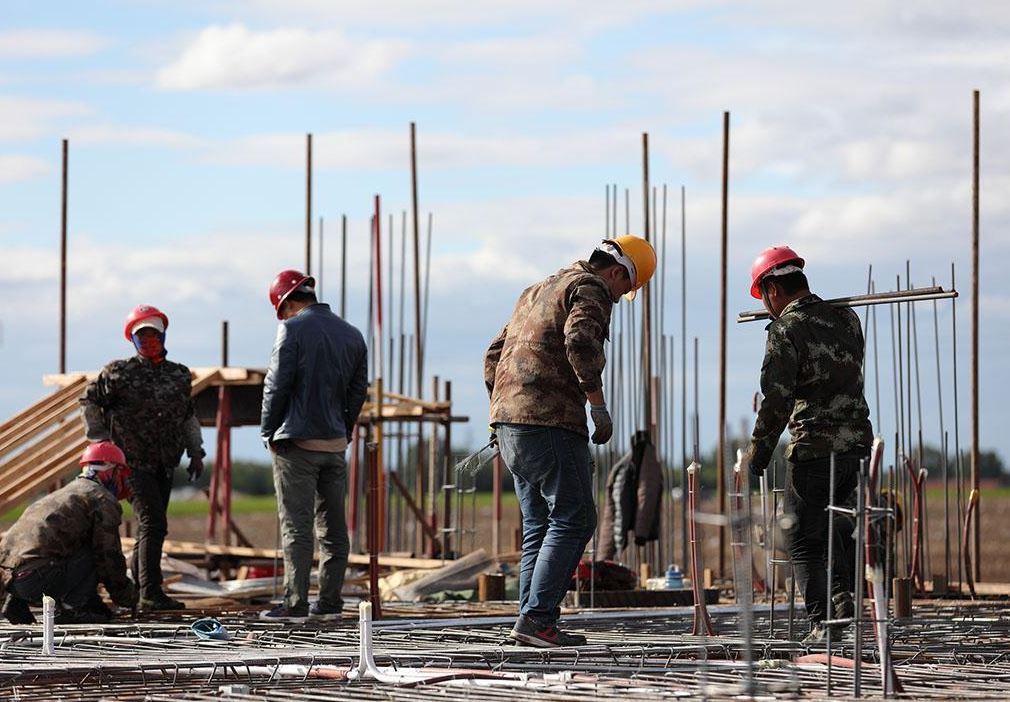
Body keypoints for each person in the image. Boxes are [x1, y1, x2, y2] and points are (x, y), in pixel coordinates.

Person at [484, 235, 656, 647]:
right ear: (617, 273)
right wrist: (597, 404)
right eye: (624, 289)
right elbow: (580, 340)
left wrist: (505, 406)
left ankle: (531, 619)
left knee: (539, 525)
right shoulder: (590, 287)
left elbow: (494, 354)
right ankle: (538, 619)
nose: (618, 297)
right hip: (550, 422)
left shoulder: (538, 289)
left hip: (509, 424)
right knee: (575, 517)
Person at [746, 245, 873, 643]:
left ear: (771, 290)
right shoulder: (847, 318)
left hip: (814, 448)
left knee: (801, 537)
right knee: (842, 527)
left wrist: (759, 453)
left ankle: (824, 625)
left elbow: (777, 400)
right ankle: (843, 605)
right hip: (855, 445)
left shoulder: (786, 329)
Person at [81, 304, 205, 612]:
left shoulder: (178, 375)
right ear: (132, 340)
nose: (148, 341)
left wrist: (196, 451)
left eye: (154, 334)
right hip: (131, 463)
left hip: (165, 462)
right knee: (153, 522)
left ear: (163, 336)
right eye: (142, 336)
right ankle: (150, 592)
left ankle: (141, 589)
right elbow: (89, 400)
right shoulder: (119, 373)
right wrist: (101, 440)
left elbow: (187, 416)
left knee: (152, 526)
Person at [260, 270, 368, 621]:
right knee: (335, 529)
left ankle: (295, 603)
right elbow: (357, 391)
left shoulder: (291, 329)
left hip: (297, 443)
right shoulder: (352, 335)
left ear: (288, 302)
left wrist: (268, 430)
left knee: (297, 527)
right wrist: (344, 431)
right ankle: (331, 602)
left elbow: (276, 385)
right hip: (334, 444)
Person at [0, 441, 138, 624]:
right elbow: (108, 556)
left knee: (52, 548)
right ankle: (73, 608)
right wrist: (127, 596)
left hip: (9, 581)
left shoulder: (64, 494)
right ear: (110, 471)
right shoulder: (101, 498)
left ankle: (16, 601)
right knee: (96, 550)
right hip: (37, 581)